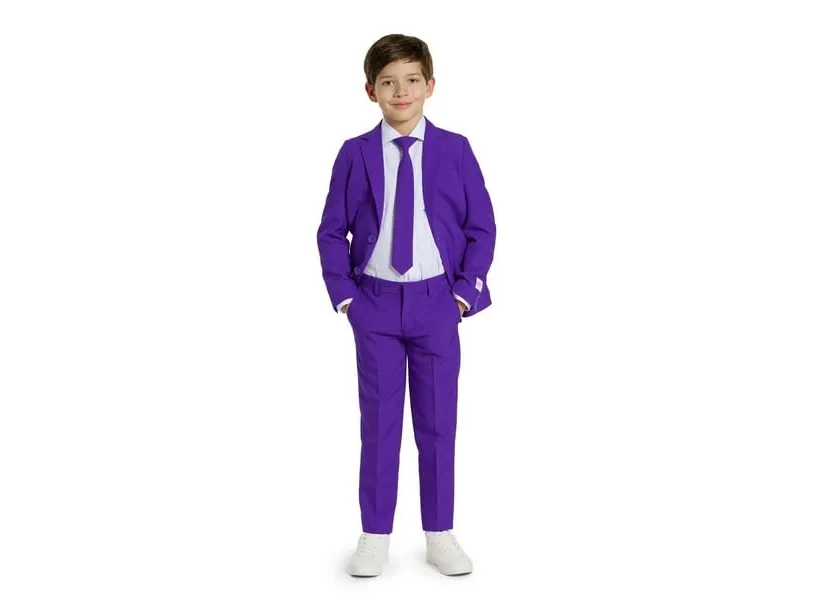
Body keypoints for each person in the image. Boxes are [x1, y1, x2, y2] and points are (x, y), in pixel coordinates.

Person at [316, 33, 497, 577]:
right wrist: (346, 298)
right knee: (379, 424)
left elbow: (481, 226)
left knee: (438, 423)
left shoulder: (455, 149)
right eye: (389, 82)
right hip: (373, 304)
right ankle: (374, 535)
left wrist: (463, 295)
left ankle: (439, 533)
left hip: (437, 303)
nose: (402, 92)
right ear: (370, 90)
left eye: (412, 80)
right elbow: (331, 231)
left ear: (430, 85)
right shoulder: (354, 153)